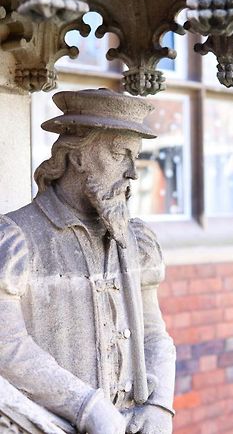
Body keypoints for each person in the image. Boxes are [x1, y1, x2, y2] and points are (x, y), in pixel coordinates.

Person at [0, 89, 176, 434]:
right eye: (119, 153)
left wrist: (159, 404)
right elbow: (7, 346)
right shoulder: (16, 237)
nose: (132, 173)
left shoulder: (134, 239)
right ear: (78, 156)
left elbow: (154, 333)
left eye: (134, 157)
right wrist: (86, 406)